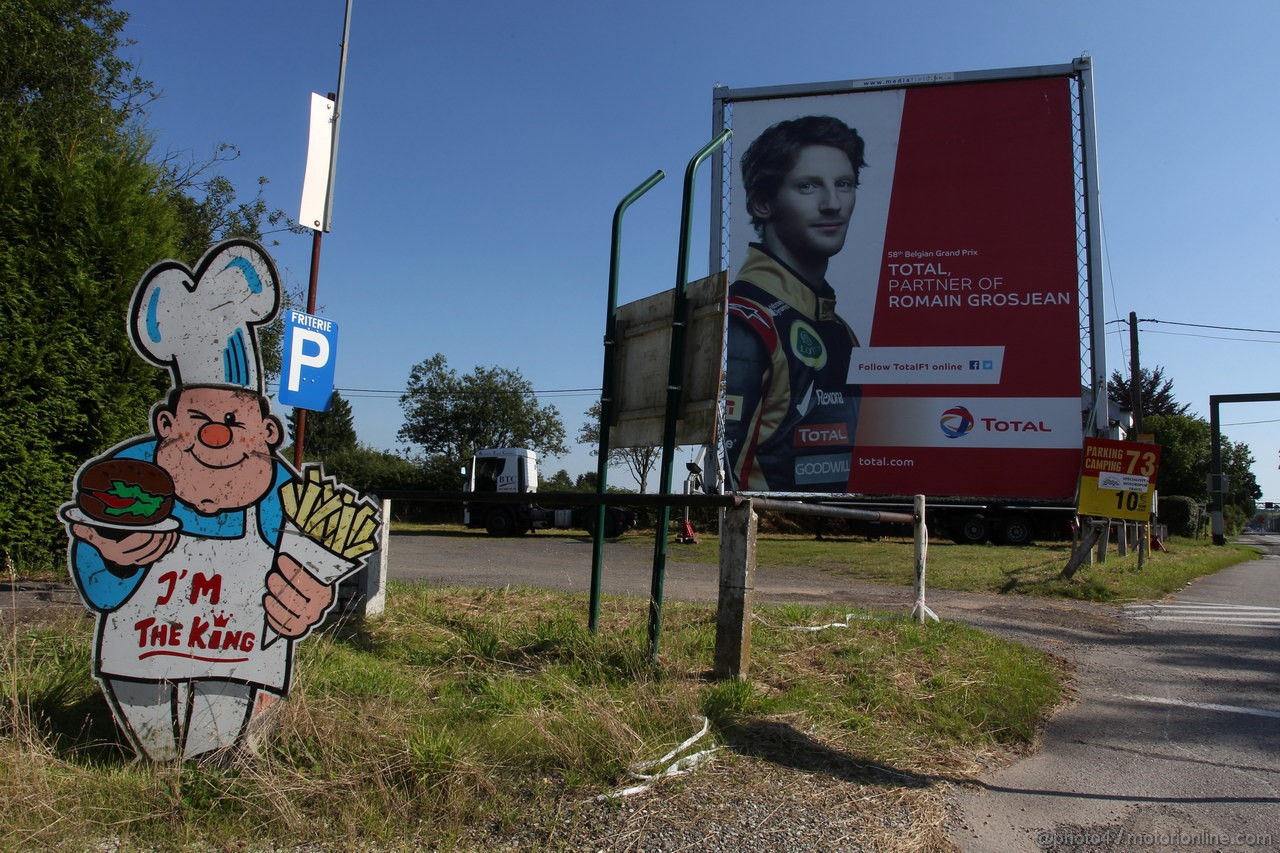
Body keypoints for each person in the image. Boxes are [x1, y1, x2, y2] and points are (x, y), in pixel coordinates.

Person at [64, 240, 370, 761]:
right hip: (139, 654)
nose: (216, 437)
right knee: (154, 740)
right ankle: (158, 761)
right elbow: (97, 574)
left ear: (267, 431)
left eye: (234, 422)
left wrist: (308, 600)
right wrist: (110, 561)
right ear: (166, 423)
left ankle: (209, 766)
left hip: (240, 659)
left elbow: (304, 573)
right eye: (198, 421)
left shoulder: (281, 493)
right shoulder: (128, 478)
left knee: (218, 742)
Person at [724, 115, 866, 492]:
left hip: (831, 535)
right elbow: (730, 480)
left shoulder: (838, 327)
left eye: (844, 184)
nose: (833, 204)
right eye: (808, 186)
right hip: (769, 539)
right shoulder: (744, 321)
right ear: (762, 203)